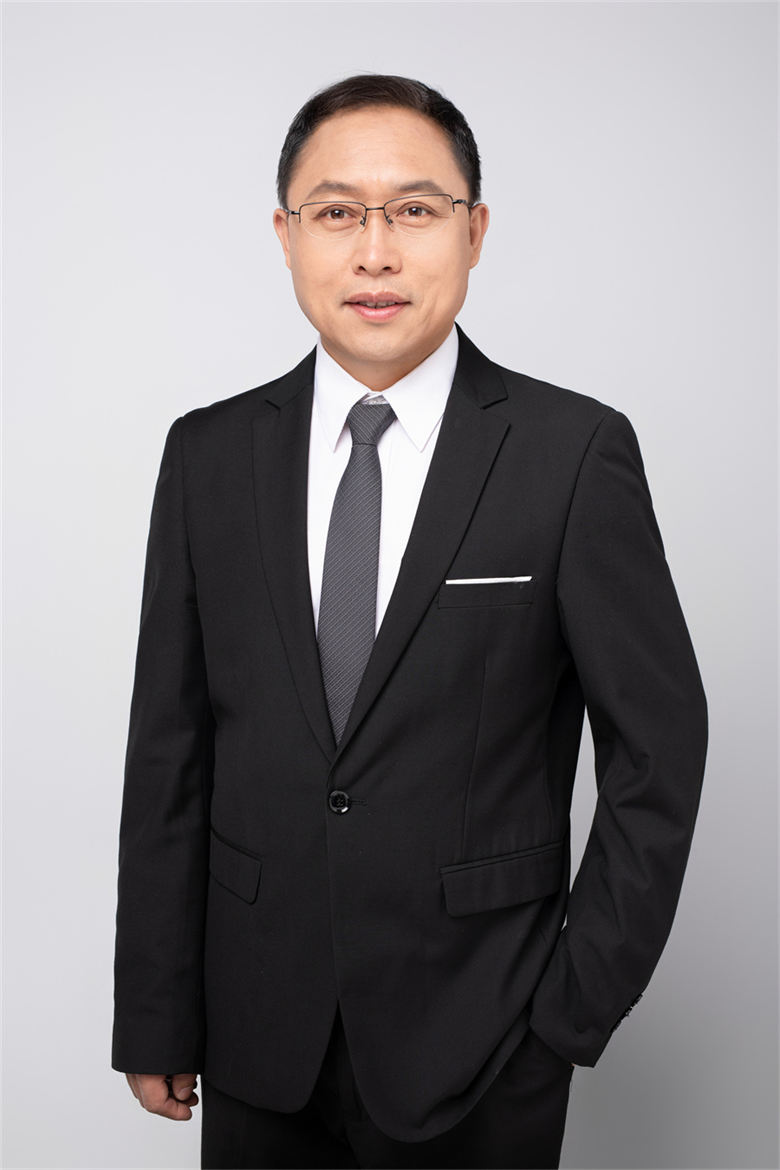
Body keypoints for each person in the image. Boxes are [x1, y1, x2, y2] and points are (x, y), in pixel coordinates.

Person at [112, 74, 708, 1170]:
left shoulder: (571, 454)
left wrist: (568, 1014)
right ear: (286, 237)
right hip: (254, 1030)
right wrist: (156, 1007)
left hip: (484, 1035)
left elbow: (659, 753)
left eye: (416, 211)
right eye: (338, 212)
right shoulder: (208, 456)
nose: (375, 253)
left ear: (474, 233)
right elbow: (170, 751)